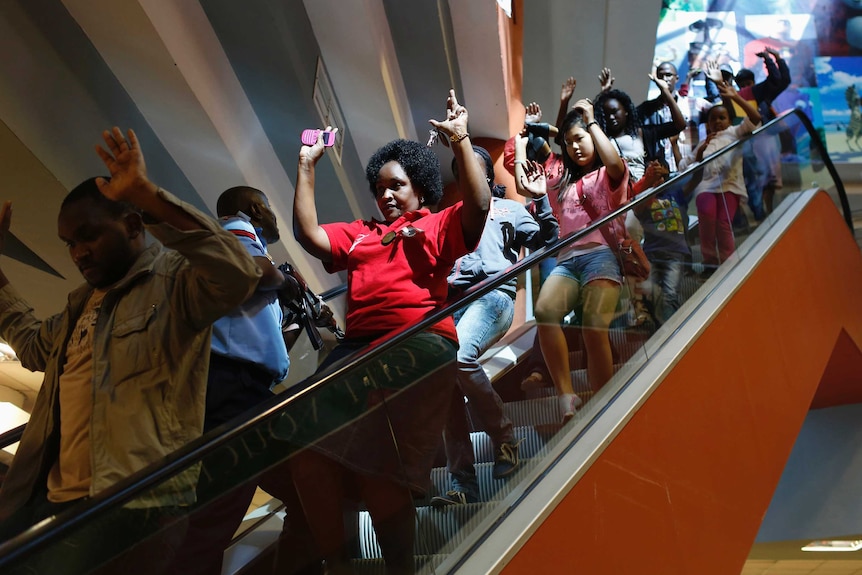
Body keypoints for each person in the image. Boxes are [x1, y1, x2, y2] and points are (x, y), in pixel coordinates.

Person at [0, 128, 261, 573]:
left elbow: (238, 273)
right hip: (51, 500)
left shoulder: (175, 280)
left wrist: (146, 194)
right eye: (70, 244)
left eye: (88, 236)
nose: (78, 253)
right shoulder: (80, 303)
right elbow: (31, 346)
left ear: (134, 225)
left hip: (134, 503)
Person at [282, 89, 490, 574]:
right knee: (306, 452)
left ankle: (400, 567)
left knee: (377, 460)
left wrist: (460, 141)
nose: (386, 195)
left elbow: (479, 208)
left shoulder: (437, 224)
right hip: (358, 350)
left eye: (396, 185)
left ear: (419, 187)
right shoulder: (361, 232)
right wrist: (307, 165)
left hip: (418, 341)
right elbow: (309, 236)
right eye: (379, 188)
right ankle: (339, 564)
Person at [165, 185, 303, 575]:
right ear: (256, 208)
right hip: (232, 387)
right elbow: (255, 272)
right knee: (214, 514)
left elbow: (256, 337)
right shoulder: (237, 229)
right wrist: (287, 282)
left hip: (236, 386)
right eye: (271, 208)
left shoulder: (220, 243)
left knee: (305, 483)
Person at [431, 145, 559, 507]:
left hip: (492, 297)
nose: (467, 174)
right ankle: (464, 485)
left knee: (460, 357)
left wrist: (541, 199)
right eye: (461, 169)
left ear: (487, 175)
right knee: (444, 385)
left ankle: (505, 438)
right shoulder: (449, 216)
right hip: (448, 305)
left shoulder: (508, 209)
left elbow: (548, 243)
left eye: (474, 166)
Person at [532, 99, 629, 424]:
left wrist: (591, 120)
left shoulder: (606, 174)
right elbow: (534, 174)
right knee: (544, 311)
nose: (574, 146)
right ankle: (566, 393)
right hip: (567, 259)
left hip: (601, 255)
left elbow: (615, 164)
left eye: (580, 138)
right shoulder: (562, 184)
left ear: (591, 134)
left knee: (593, 327)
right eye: (569, 142)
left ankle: (603, 404)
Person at [682, 80, 762, 279]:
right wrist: (701, 148)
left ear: (728, 119)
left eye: (722, 118)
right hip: (706, 188)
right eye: (713, 119)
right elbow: (686, 165)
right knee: (707, 224)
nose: (718, 122)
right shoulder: (704, 141)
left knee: (723, 223)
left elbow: (755, 117)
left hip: (730, 185)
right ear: (708, 123)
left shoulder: (735, 132)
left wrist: (735, 96)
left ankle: (728, 264)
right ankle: (709, 264)